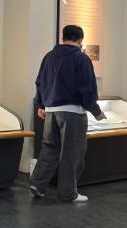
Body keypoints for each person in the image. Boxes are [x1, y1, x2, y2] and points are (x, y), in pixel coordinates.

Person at [30, 24, 105, 203]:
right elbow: (86, 88)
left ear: (63, 37)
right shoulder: (81, 58)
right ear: (80, 40)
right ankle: (68, 192)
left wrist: (41, 104)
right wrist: (96, 111)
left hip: (51, 111)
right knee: (72, 152)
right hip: (73, 112)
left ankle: (37, 184)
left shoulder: (49, 56)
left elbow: (40, 82)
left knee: (50, 148)